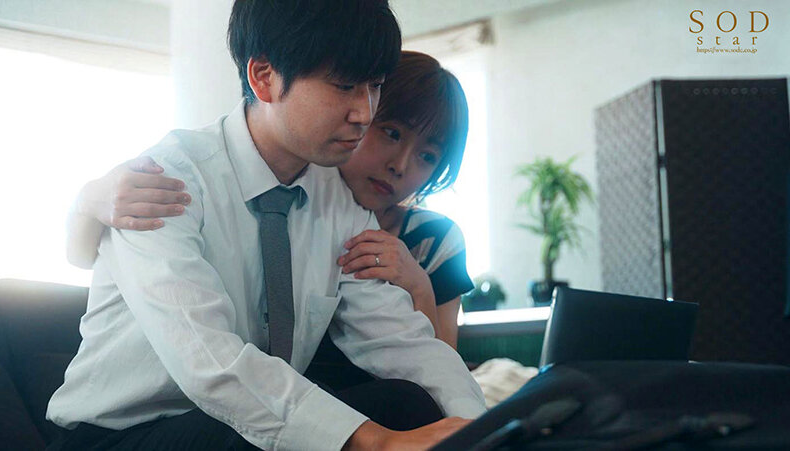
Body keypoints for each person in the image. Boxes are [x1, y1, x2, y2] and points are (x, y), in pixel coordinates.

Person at [46, 1, 486, 450]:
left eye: (374, 87)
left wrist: (483, 428)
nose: (364, 112)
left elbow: (399, 339)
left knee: (409, 404)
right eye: (344, 86)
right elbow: (210, 364)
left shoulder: (336, 198)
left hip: (233, 423)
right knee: (290, 432)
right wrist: (378, 442)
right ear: (264, 77)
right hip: (122, 436)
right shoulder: (166, 181)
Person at [67, 51, 473, 361]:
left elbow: (436, 369)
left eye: (428, 156)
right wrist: (88, 200)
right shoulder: (262, 183)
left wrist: (419, 286)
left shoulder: (432, 239)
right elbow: (92, 257)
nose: (400, 165)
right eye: (391, 133)